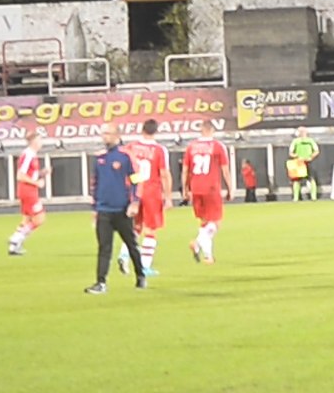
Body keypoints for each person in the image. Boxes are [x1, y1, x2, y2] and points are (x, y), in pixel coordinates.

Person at [85, 123, 146, 294]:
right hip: (104, 210)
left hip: (122, 210)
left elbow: (137, 179)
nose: (105, 137)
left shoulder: (126, 156)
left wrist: (135, 202)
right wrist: (94, 208)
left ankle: (140, 275)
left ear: (117, 135)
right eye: (102, 133)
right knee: (104, 247)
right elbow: (94, 184)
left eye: (108, 133)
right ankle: (100, 282)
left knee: (131, 245)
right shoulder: (99, 158)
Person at [117, 119, 171, 277]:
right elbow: (164, 174)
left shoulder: (131, 147)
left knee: (135, 227)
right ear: (155, 131)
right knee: (151, 229)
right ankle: (145, 266)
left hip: (133, 191)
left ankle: (124, 254)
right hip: (150, 191)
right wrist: (167, 196)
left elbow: (121, 167)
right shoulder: (159, 149)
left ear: (142, 129)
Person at [183, 120, 234, 265]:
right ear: (212, 130)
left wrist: (185, 189)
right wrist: (230, 188)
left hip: (196, 188)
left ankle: (206, 254)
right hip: (211, 188)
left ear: (201, 130)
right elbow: (225, 170)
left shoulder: (191, 147)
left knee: (204, 222)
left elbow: (185, 170)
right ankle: (201, 247)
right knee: (216, 223)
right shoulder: (217, 146)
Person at [7, 130, 49, 256]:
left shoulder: (31, 155)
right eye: (40, 140)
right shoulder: (28, 155)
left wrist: (42, 173)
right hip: (28, 191)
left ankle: (13, 248)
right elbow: (20, 175)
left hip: (26, 190)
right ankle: (16, 238)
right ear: (34, 141)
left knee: (26, 219)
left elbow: (29, 174)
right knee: (39, 218)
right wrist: (37, 183)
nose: (41, 143)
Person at [289, 127, 320, 201]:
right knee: (296, 180)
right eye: (300, 131)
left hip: (309, 162)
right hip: (299, 163)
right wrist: (296, 156)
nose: (302, 132)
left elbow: (316, 151)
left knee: (311, 179)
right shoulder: (295, 141)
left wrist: (311, 157)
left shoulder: (310, 141)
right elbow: (291, 152)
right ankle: (296, 197)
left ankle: (313, 197)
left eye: (303, 131)